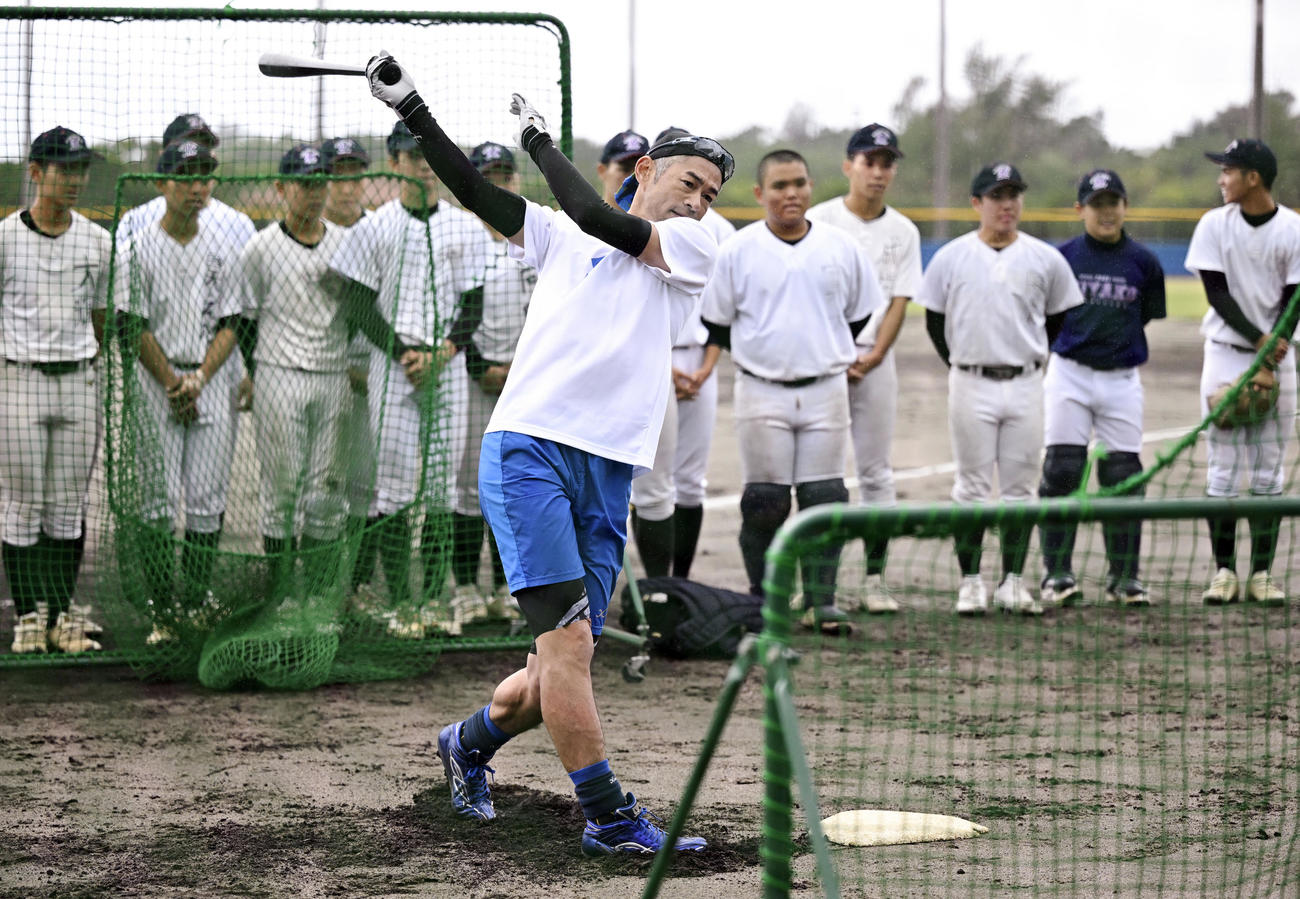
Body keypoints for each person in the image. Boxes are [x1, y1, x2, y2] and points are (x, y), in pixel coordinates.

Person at [364, 52, 730, 854]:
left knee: (556, 666)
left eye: (711, 192)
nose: (701, 200)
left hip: (609, 467)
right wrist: (415, 109)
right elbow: (476, 191)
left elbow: (608, 222)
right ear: (645, 169)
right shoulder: (560, 232)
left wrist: (536, 138)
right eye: (690, 182)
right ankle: (607, 815)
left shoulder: (697, 247)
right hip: (529, 446)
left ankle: (465, 744)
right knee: (569, 650)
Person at [699, 149, 883, 628]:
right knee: (766, 502)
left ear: (811, 186)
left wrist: (816, 347)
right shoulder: (736, 251)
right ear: (760, 193)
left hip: (825, 387)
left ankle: (821, 601)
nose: (791, 193)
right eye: (779, 186)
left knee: (824, 498)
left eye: (799, 183)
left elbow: (859, 314)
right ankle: (766, 600)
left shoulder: (841, 248)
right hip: (762, 389)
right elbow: (716, 322)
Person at [327, 120, 491, 637]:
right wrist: (402, 352)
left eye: (430, 158)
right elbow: (357, 303)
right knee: (393, 488)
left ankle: (434, 601)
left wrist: (445, 350)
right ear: (394, 163)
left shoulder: (464, 226)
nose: (423, 166)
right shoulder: (374, 227)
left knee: (442, 488)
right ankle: (402, 604)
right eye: (412, 157)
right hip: (393, 369)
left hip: (446, 368)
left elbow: (474, 301)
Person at [916, 162, 1084, 616]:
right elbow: (935, 319)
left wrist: (1030, 352)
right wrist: (958, 359)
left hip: (1027, 381)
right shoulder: (952, 256)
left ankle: (1012, 581)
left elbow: (1057, 317)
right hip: (970, 380)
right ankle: (971, 582)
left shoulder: (1045, 258)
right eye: (996, 196)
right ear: (977, 203)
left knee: (1020, 489)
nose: (1007, 204)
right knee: (970, 488)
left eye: (1013, 195)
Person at [112, 139, 243, 643]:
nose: (198, 186)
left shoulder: (222, 247)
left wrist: (200, 379)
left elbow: (233, 322)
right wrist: (172, 382)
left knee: (208, 501)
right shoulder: (136, 247)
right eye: (186, 176)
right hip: (155, 383)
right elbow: (132, 325)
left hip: (207, 378)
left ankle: (195, 602)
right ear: (163, 183)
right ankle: (163, 610)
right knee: (157, 502)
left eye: (205, 175)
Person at [1, 126, 111, 654]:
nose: (73, 179)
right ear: (36, 172)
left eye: (79, 169)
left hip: (77, 381)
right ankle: (26, 617)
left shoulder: (97, 240)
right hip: (19, 379)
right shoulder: (5, 238)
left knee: (68, 507)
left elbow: (101, 318)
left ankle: (62, 617)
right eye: (62, 169)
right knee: (21, 506)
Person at [806, 123, 921, 613]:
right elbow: (807, 295)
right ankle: (811, 584)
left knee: (875, 472)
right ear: (848, 165)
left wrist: (872, 355)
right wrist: (837, 352)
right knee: (819, 474)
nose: (878, 171)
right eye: (869, 161)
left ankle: (875, 581)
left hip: (876, 362)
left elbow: (899, 299)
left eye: (886, 162)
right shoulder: (820, 219)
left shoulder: (904, 230)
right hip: (825, 362)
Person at [1037, 169, 1166, 608]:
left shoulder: (1143, 262)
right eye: (1097, 204)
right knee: (1062, 470)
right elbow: (1048, 316)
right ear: (1080, 210)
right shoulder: (1063, 258)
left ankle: (1125, 577)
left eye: (1113, 203)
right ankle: (1056, 574)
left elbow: (1146, 313)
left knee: (1124, 475)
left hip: (1122, 378)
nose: (1106, 212)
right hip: (1069, 371)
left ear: (1125, 206)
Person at [1186, 139, 1300, 606]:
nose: (1221, 178)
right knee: (1224, 467)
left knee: (1269, 471)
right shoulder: (1215, 224)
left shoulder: (1293, 228)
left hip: (1281, 354)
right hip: (1228, 351)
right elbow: (1217, 293)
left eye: (1228, 170)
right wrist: (1261, 347)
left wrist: (1273, 355)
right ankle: (1224, 572)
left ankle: (1261, 574)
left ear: (1253, 177)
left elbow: (1297, 295)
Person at [237, 144, 350, 602]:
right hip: (278, 372)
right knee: (281, 494)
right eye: (305, 184)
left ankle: (317, 600)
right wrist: (256, 373)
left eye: (321, 183)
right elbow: (245, 321)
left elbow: (360, 309)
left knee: (326, 495)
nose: (314, 193)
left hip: (333, 373)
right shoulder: (260, 249)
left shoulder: (345, 243)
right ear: (283, 188)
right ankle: (281, 596)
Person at [627, 126, 734, 581]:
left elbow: (724, 310)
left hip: (699, 359)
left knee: (690, 480)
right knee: (652, 481)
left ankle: (680, 583)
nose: (697, 198)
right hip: (657, 360)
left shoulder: (715, 228)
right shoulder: (633, 222)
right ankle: (656, 588)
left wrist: (708, 367)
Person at [119, 114, 256, 415]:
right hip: (153, 374)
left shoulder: (238, 224)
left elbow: (242, 313)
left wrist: (252, 370)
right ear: (164, 156)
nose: (197, 154)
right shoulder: (135, 222)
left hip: (221, 372)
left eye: (205, 147)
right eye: (187, 146)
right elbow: (127, 315)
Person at [449, 142, 534, 616]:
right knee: (466, 485)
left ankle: (507, 587)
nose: (499, 183)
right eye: (489, 175)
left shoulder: (534, 240)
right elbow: (454, 313)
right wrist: (481, 366)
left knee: (515, 486)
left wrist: (515, 370)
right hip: (468, 378)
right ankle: (464, 586)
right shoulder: (462, 240)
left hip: (524, 383)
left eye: (506, 174)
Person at [318, 137, 384, 606]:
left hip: (372, 373)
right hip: (318, 375)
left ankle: (357, 585)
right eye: (337, 175)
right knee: (318, 487)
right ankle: (314, 585)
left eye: (355, 174)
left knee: (367, 488)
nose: (347, 186)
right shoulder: (309, 232)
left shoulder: (378, 230)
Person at [595, 129, 649, 206]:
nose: (635, 177)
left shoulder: (662, 216)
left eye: (643, 170)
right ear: (602, 171)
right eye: (625, 169)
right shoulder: (583, 216)